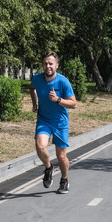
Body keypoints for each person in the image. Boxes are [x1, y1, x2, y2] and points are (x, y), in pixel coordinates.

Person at [29, 51, 77, 194]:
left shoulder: (63, 81)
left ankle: (64, 179)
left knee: (61, 156)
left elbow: (73, 104)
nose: (48, 66)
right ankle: (48, 168)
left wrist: (58, 99)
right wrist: (35, 103)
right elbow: (32, 88)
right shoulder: (37, 79)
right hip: (44, 120)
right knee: (40, 146)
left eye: (50, 63)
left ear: (57, 65)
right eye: (45, 63)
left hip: (60, 123)